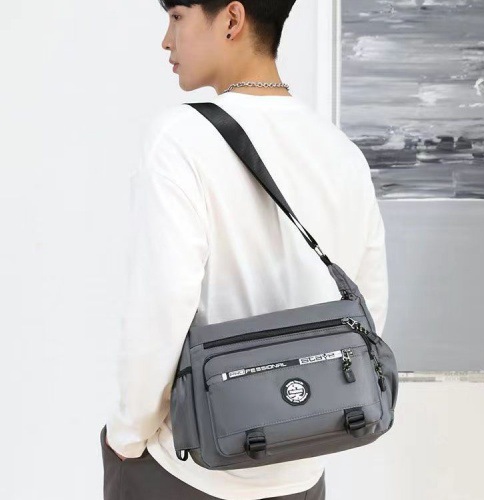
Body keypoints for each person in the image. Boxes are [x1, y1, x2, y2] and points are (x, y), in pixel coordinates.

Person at [100, 1, 389, 499]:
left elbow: (161, 304)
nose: (166, 40)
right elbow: (369, 308)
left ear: (232, 19)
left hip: (190, 468)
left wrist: (127, 434)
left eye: (177, 16)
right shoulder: (342, 151)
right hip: (304, 466)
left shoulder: (181, 137)